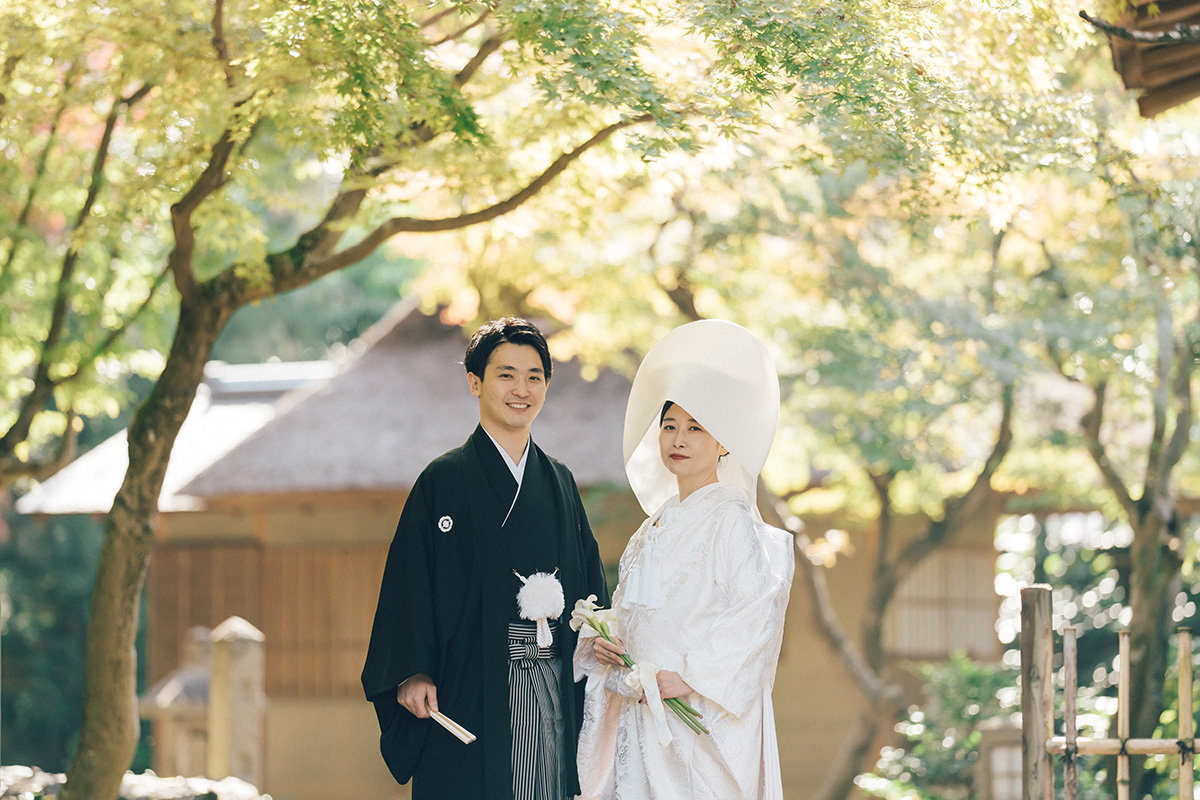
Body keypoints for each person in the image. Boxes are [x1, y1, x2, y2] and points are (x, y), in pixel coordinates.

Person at [362, 317, 610, 800]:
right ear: (475, 383)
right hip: (466, 685)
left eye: (534, 376)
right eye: (505, 374)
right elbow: (408, 585)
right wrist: (413, 671)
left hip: (548, 684)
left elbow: (588, 585)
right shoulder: (443, 480)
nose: (522, 388)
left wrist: (600, 638)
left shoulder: (560, 482)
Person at [573, 319, 794, 800]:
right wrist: (606, 639)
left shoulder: (731, 517)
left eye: (696, 428)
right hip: (646, 705)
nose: (679, 439)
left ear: (723, 442)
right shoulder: (653, 526)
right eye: (670, 426)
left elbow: (755, 612)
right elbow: (636, 610)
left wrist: (690, 676)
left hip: (696, 713)